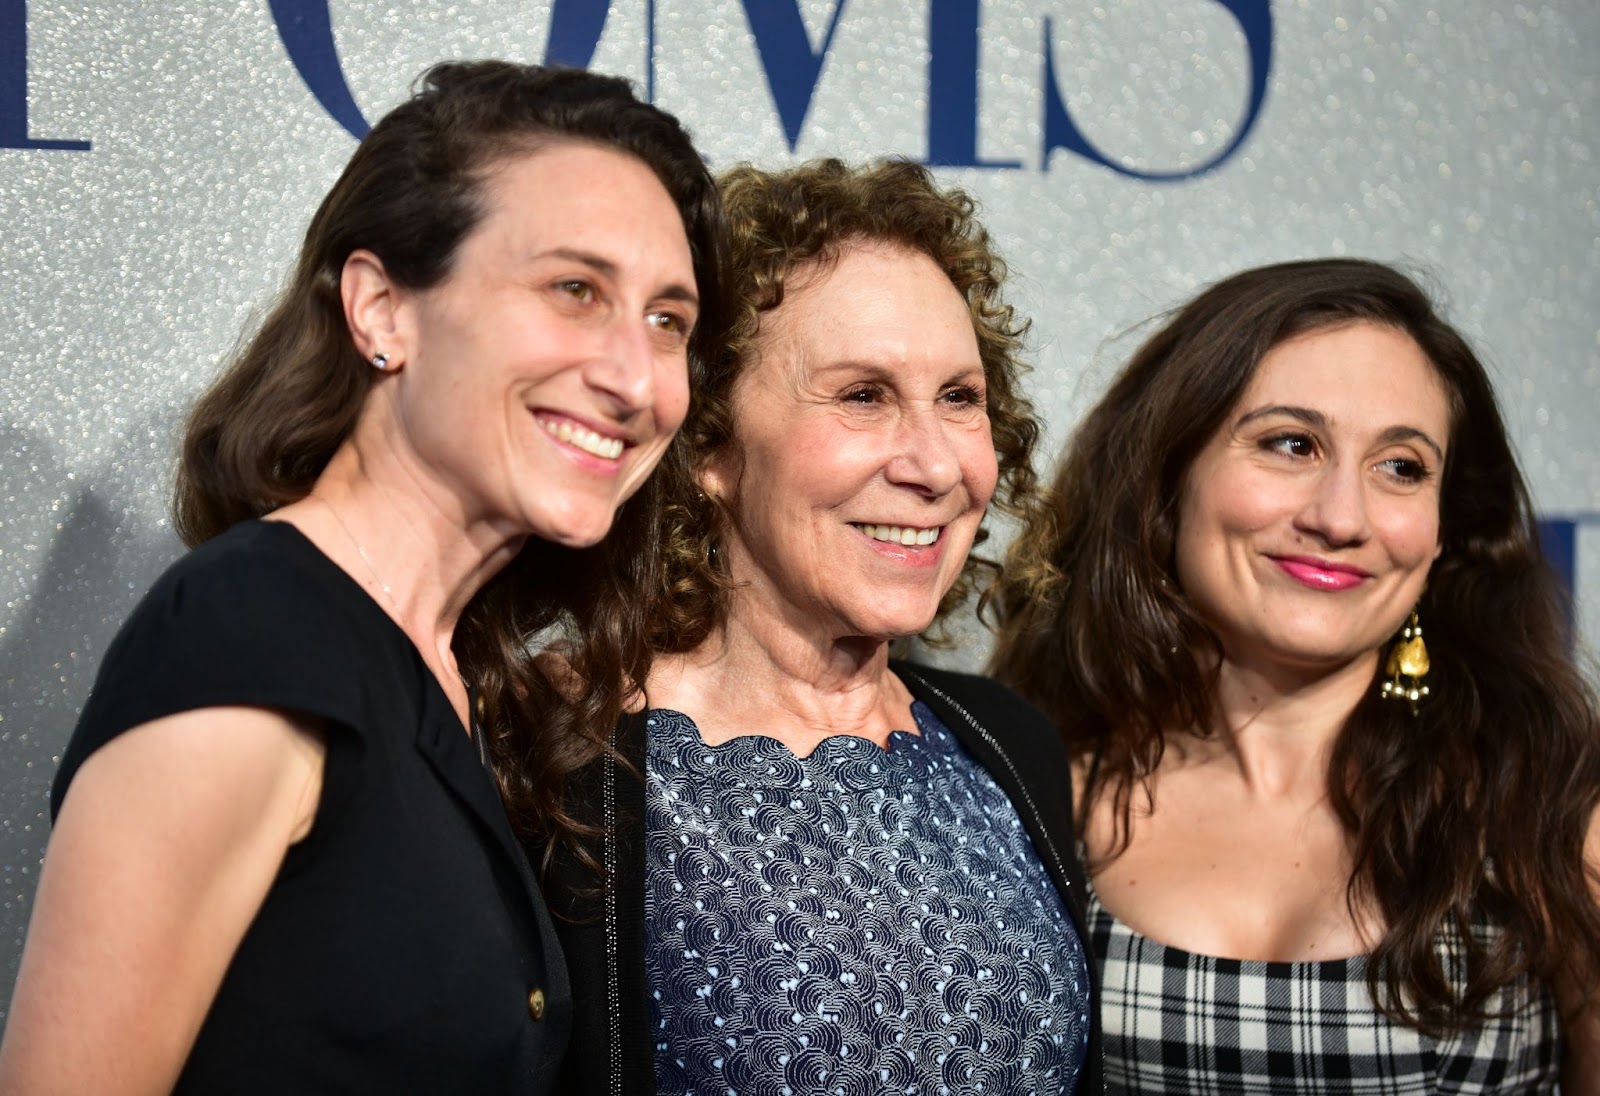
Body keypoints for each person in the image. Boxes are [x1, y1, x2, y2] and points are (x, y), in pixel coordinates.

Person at [0, 60, 729, 1094]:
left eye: (669, 320)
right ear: (382, 309)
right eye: (575, 289)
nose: (633, 378)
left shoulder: (452, 674)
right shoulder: (248, 633)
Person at [543, 158, 1101, 1095]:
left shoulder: (1008, 746)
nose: (933, 465)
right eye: (863, 395)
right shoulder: (560, 764)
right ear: (710, 441)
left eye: (960, 399)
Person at [990, 257, 1600, 1093]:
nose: (1342, 517)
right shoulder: (1034, 801)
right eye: (1291, 444)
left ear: (1445, 529)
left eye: (1402, 467)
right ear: (1167, 479)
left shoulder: (1551, 812)